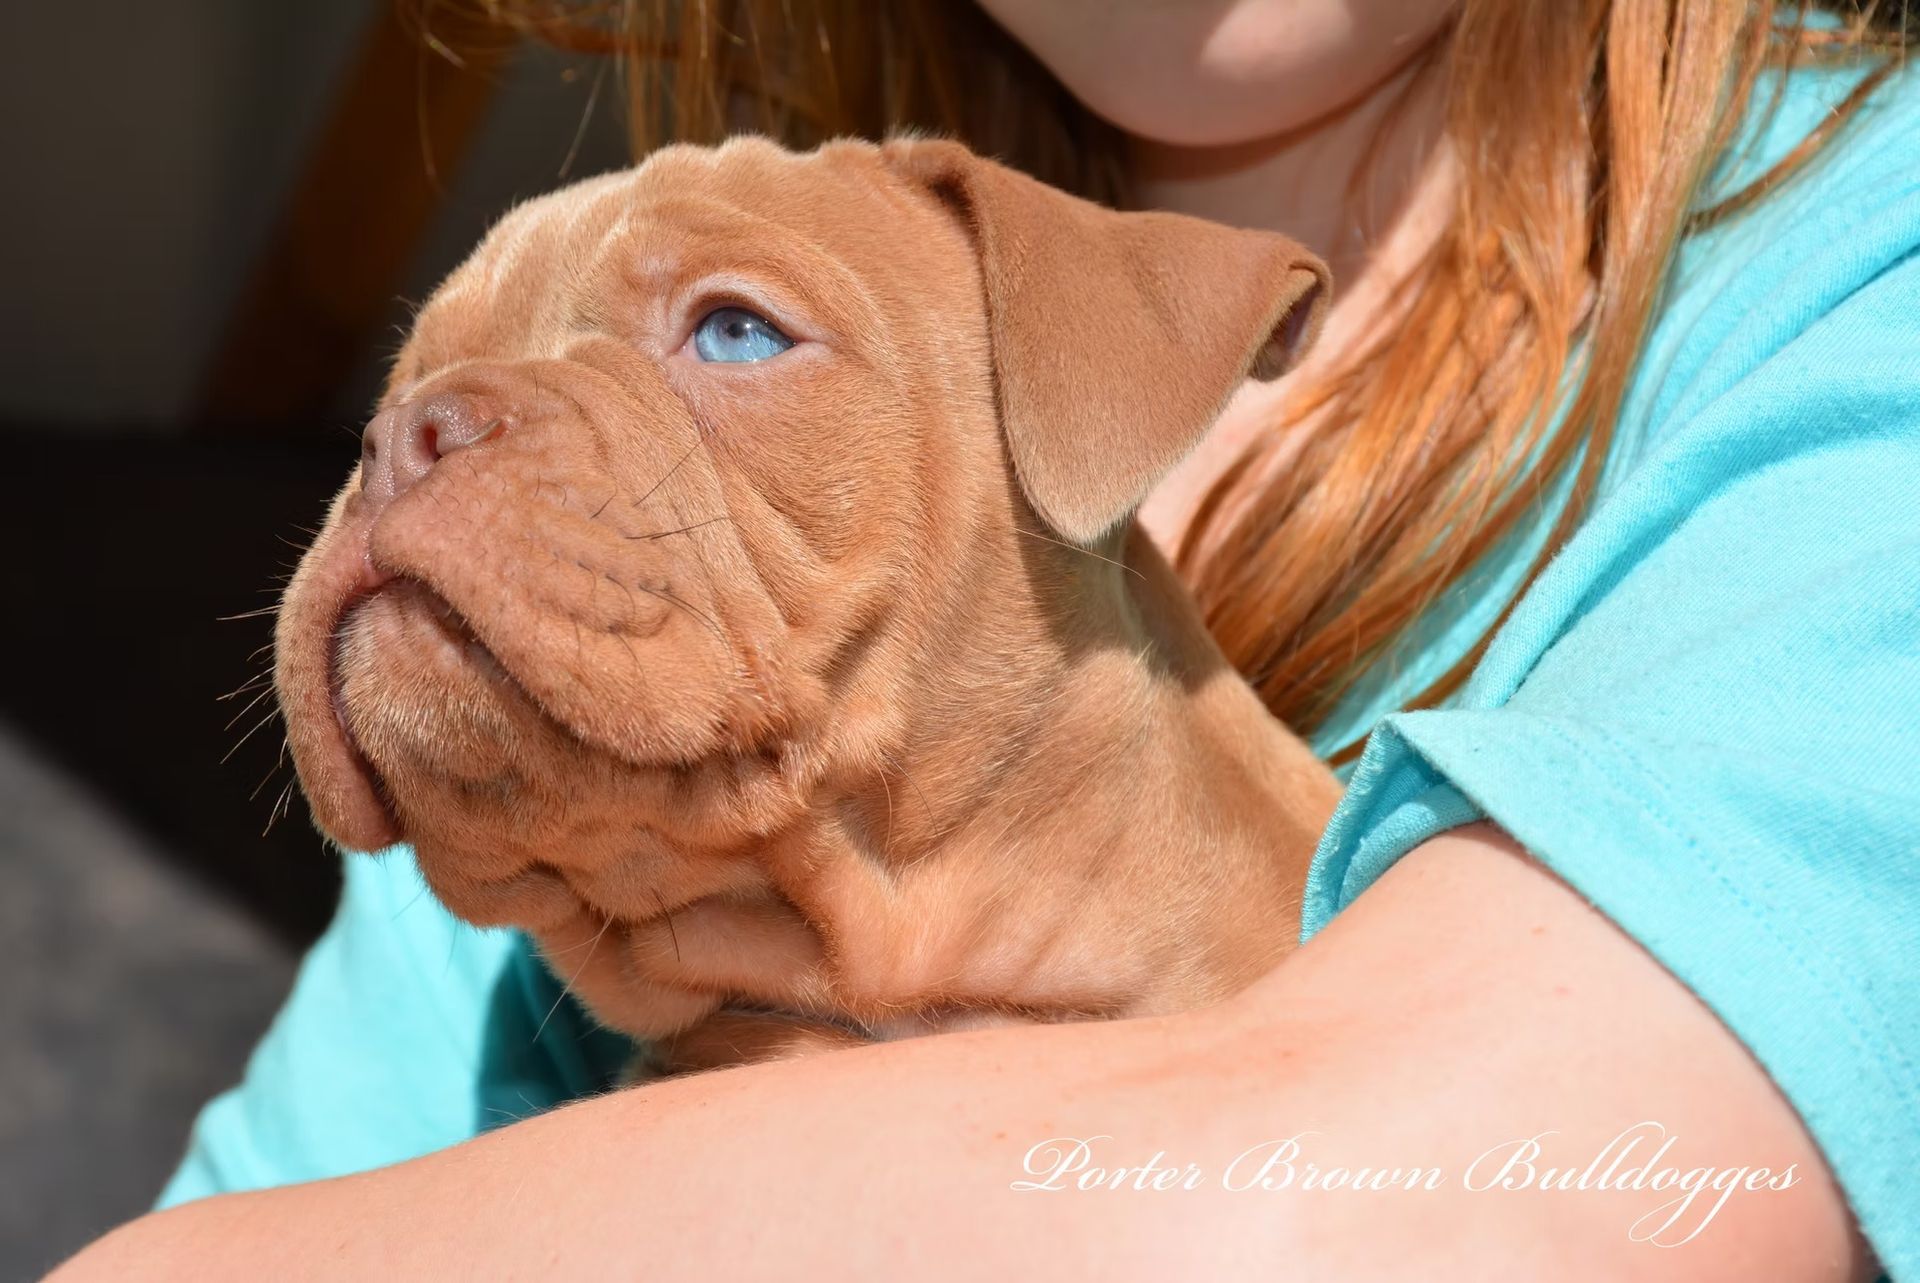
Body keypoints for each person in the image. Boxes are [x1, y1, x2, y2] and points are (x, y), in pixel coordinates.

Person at [55, 2, 1920, 1278]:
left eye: (730, 332)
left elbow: (1457, 1212)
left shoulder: (1857, 282)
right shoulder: (601, 744)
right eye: (418, 399)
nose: (436, 439)